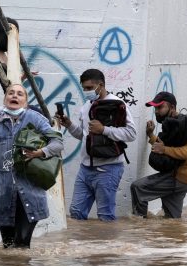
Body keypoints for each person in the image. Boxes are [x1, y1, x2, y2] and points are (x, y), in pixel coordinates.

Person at [0, 84, 64, 248]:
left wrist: (40, 152)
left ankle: (21, 264)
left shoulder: (35, 118)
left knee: (22, 244)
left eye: (19, 94)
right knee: (8, 246)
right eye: (11, 93)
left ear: (25, 101)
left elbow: (58, 142)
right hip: (2, 190)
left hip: (30, 189)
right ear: (5, 99)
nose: (14, 96)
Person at [57, 69, 137, 221]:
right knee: (76, 213)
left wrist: (104, 130)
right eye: (84, 88)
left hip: (108, 169)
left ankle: (108, 238)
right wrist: (69, 125)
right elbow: (84, 135)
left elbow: (131, 134)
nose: (86, 92)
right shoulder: (86, 106)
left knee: (105, 217)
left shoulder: (118, 105)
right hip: (85, 168)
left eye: (89, 88)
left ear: (101, 85)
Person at [131, 92, 187, 219]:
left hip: (177, 177)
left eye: (160, 107)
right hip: (183, 178)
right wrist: (151, 136)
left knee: (138, 188)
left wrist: (164, 149)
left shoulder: (185, 125)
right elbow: (166, 146)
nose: (156, 111)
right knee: (172, 222)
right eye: (155, 108)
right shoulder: (172, 124)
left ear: (172, 107)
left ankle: (140, 227)